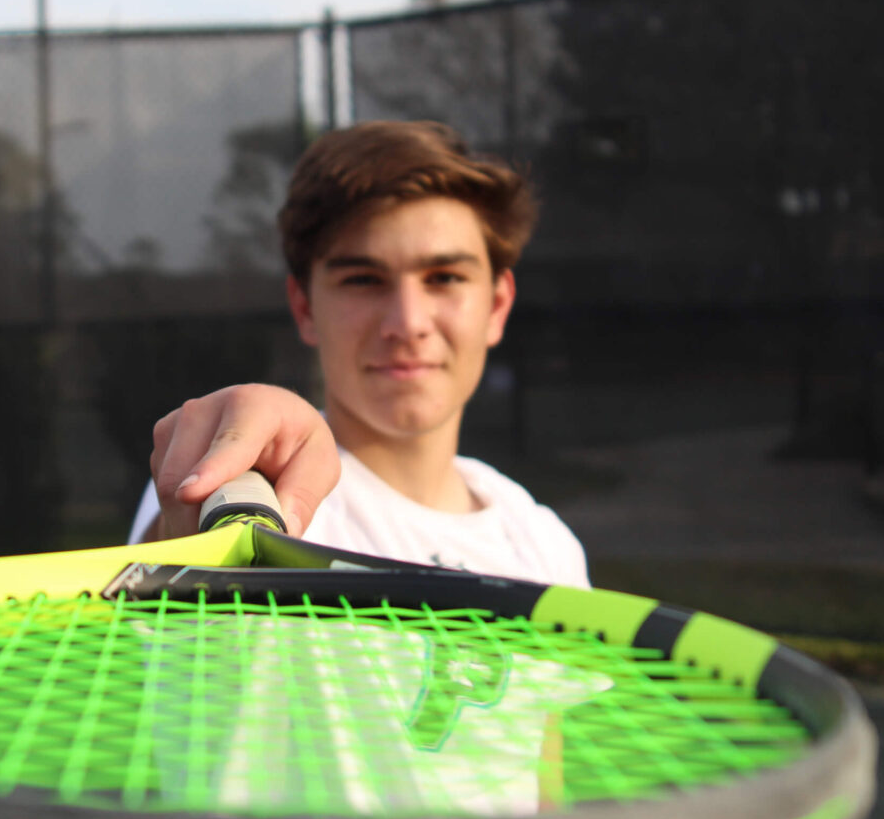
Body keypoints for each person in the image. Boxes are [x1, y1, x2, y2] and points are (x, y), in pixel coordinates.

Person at [129, 120, 588, 589]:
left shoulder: (545, 545)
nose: (407, 323)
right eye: (363, 280)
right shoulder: (251, 490)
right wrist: (220, 459)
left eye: (444, 277)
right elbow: (170, 571)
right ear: (305, 307)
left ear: (496, 305)